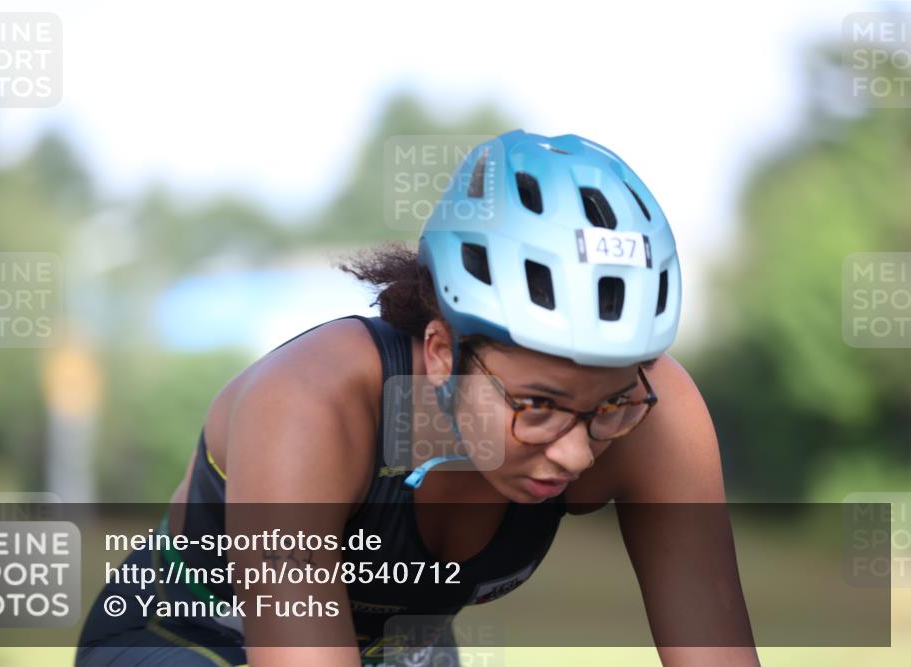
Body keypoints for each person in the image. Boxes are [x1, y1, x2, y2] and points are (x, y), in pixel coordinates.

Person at [76, 130, 761, 666]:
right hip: (179, 640)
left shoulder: (656, 415)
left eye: (610, 405)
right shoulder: (312, 406)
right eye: (538, 404)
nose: (578, 450)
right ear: (442, 353)